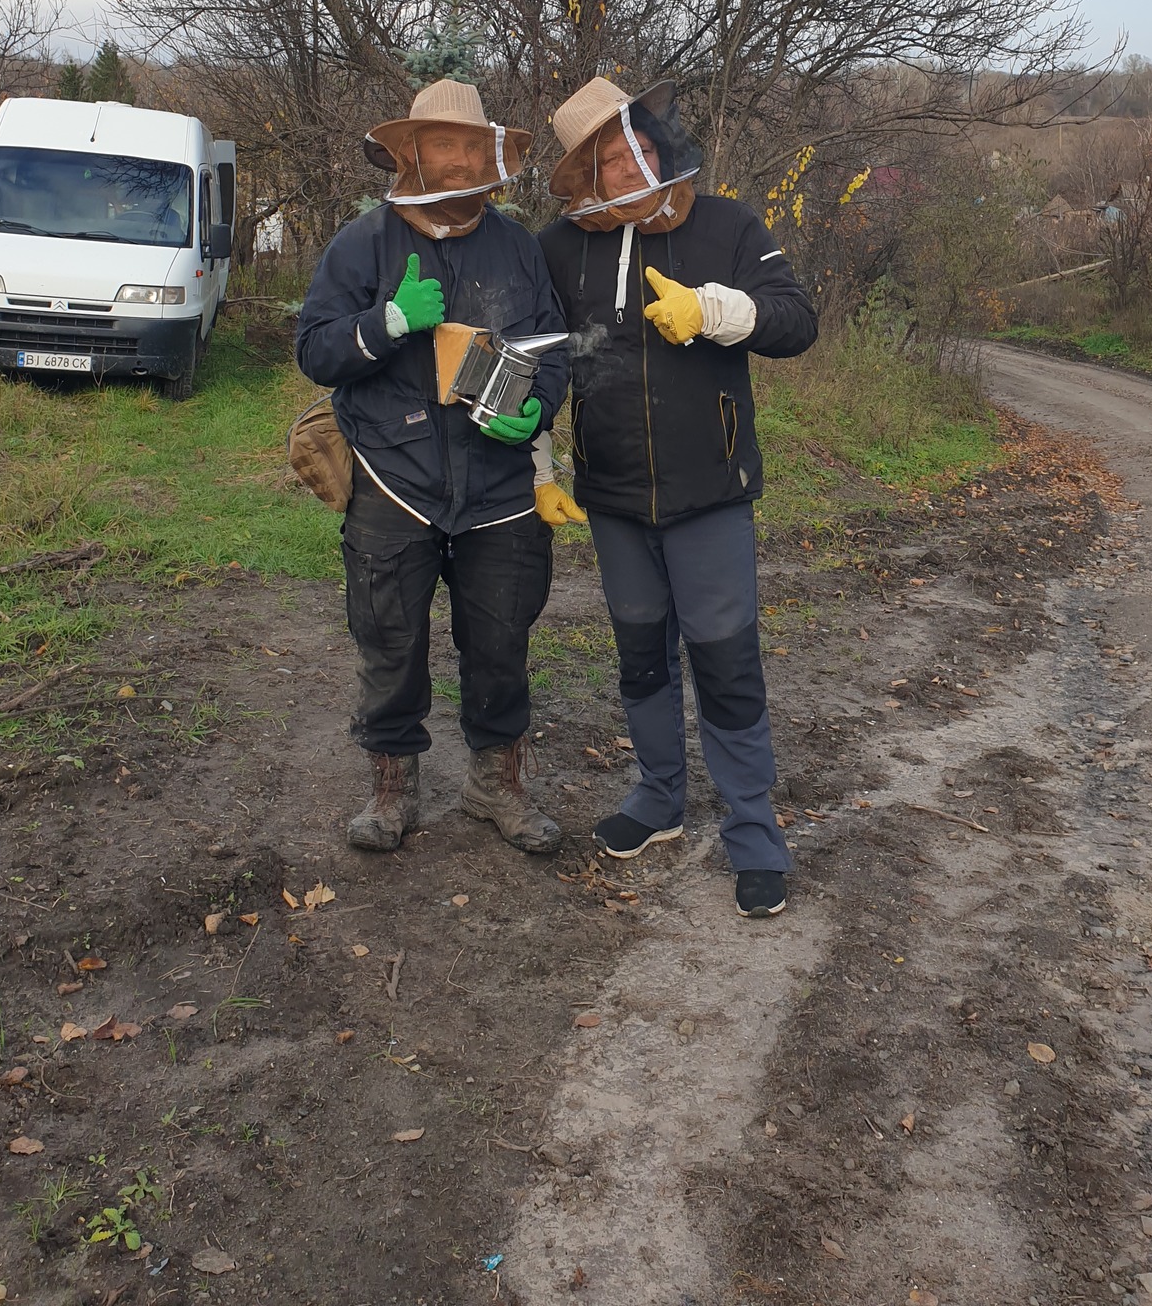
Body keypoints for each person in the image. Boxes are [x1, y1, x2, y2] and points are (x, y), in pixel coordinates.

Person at [538, 77, 818, 918]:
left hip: (712, 491)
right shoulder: (563, 247)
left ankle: (754, 835)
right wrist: (539, 467)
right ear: (587, 175)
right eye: (612, 158)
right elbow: (541, 361)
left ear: (663, 145)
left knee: (727, 662)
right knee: (640, 658)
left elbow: (796, 321)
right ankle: (658, 799)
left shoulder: (725, 224)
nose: (633, 164)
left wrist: (715, 310)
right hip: (615, 497)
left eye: (642, 147)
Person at [296, 79, 570, 856]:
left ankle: (498, 785)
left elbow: (550, 350)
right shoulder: (363, 244)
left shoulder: (516, 246)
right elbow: (314, 348)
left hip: (500, 486)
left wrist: (538, 407)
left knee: (501, 637)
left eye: (470, 146)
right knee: (388, 637)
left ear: (491, 154)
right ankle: (392, 789)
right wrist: (384, 322)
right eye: (441, 145)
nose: (458, 161)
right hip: (393, 477)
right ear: (410, 152)